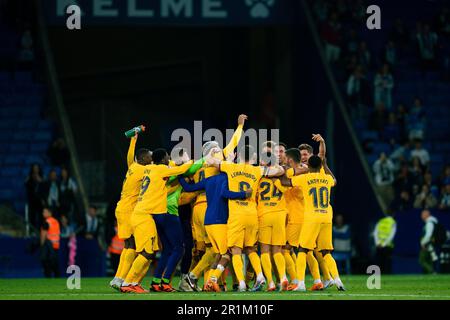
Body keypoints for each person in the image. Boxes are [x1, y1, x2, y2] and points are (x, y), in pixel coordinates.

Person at [206, 144, 285, 292]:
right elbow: (279, 170)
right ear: (253, 157)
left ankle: (241, 283)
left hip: (237, 215)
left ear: (238, 156)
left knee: (235, 250)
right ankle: (260, 276)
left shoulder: (230, 167)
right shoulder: (257, 170)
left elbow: (210, 161)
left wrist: (213, 152)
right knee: (251, 248)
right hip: (252, 214)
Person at [120, 149, 193, 293]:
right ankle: (127, 282)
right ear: (163, 160)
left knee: (151, 251)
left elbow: (132, 161)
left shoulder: (148, 168)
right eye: (167, 157)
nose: (168, 159)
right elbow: (183, 169)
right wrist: (190, 161)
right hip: (144, 216)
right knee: (147, 252)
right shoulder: (161, 170)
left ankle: (134, 282)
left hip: (143, 214)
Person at [188, 114, 246, 289]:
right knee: (224, 250)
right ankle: (200, 278)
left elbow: (186, 178)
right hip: (215, 206)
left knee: (208, 249)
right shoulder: (220, 158)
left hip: (197, 208)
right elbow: (234, 141)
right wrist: (240, 126)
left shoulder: (197, 163)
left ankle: (211, 282)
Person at [178, 171, 251, 292]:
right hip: (219, 221)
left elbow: (188, 187)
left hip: (208, 221)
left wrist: (179, 175)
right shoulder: (228, 178)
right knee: (227, 254)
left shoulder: (209, 179)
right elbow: (224, 193)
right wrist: (243, 194)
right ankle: (208, 278)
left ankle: (200, 279)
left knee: (215, 253)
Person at [280, 155, 345, 291]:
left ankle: (301, 284)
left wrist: (284, 170)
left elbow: (286, 182)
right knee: (326, 252)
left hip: (312, 217)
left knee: (303, 250)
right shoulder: (327, 179)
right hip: (326, 217)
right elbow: (335, 180)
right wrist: (326, 166)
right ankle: (338, 280)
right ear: (320, 166)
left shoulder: (305, 178)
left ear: (308, 166)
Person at [109, 131, 152, 290]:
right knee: (132, 245)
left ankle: (118, 278)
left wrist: (133, 141)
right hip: (128, 209)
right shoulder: (142, 170)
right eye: (149, 156)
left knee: (128, 245)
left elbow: (129, 157)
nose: (151, 158)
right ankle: (121, 278)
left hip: (122, 207)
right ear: (142, 159)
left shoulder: (133, 167)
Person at [256, 152, 289, 292]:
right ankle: (283, 278)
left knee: (264, 251)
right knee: (277, 250)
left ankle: (270, 282)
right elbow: (285, 190)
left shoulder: (258, 176)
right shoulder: (281, 175)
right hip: (279, 215)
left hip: (264, 214)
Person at [40, 207, 60, 278]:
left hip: (48, 246)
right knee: (54, 263)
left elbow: (43, 235)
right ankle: (57, 277)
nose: (43, 213)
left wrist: (42, 246)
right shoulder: (56, 221)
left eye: (45, 212)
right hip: (56, 245)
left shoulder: (46, 222)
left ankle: (48, 277)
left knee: (46, 262)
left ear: (50, 213)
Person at [25, 163, 44, 232]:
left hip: (39, 200)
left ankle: (41, 231)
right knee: (32, 217)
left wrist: (41, 181)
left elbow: (44, 187)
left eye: (37, 168)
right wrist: (29, 179)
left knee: (41, 217)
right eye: (34, 168)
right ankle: (32, 231)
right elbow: (26, 185)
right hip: (32, 200)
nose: (36, 169)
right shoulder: (29, 177)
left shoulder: (41, 177)